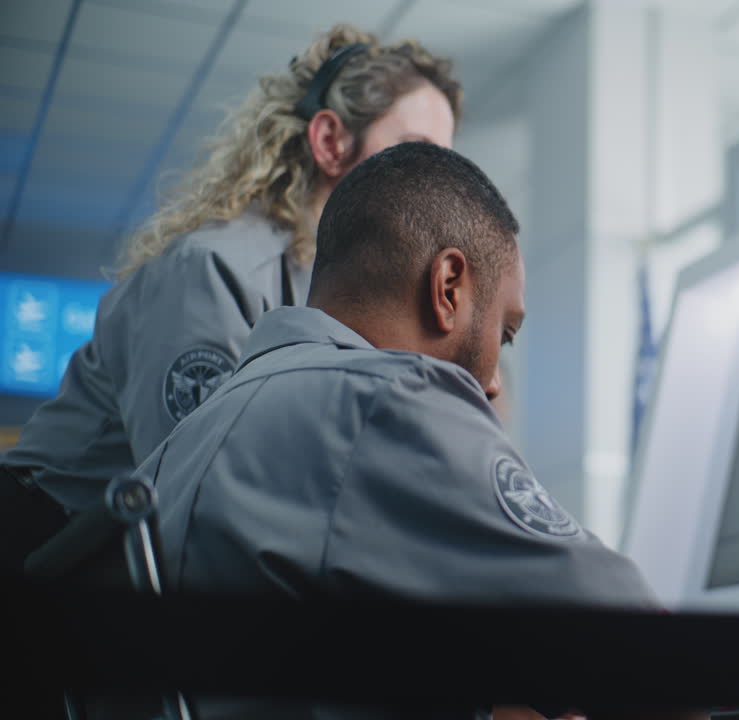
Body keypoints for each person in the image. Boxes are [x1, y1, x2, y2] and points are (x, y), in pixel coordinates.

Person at [138, 140, 691, 720]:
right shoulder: (387, 399)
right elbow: (645, 650)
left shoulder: (187, 440)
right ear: (448, 287)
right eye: (503, 334)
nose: (496, 383)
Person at [0, 23, 461, 575]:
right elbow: (201, 487)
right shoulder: (215, 268)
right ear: (330, 142)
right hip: (39, 539)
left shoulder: (327, 290)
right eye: (413, 155)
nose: (434, 189)